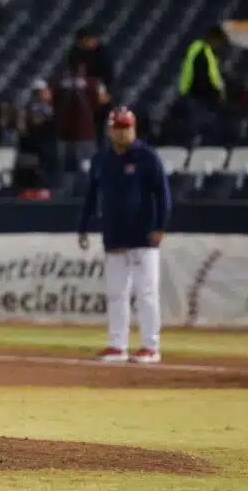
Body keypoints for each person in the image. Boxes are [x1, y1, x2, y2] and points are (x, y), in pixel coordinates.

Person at [77, 107, 172, 364]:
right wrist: (84, 225)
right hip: (114, 236)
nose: (122, 132)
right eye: (118, 127)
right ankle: (117, 345)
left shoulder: (147, 157)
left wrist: (161, 225)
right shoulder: (101, 160)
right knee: (116, 293)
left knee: (146, 293)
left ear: (134, 128)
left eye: (126, 127)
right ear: (110, 131)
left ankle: (150, 346)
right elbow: (91, 195)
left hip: (143, 235)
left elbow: (163, 193)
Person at [177, 25, 227, 137]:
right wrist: (215, 95)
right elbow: (202, 77)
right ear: (213, 39)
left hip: (193, 96)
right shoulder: (203, 52)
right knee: (202, 132)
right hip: (198, 99)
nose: (220, 46)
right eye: (220, 42)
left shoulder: (200, 49)